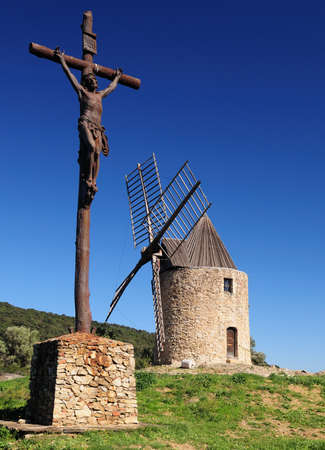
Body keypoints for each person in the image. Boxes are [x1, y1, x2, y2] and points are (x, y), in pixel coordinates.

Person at [55, 48, 122, 192]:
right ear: (87, 83)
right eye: (91, 80)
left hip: (97, 128)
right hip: (85, 123)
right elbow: (70, 75)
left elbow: (111, 87)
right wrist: (62, 60)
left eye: (95, 80)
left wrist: (117, 77)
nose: (95, 81)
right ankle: (89, 178)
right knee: (91, 147)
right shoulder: (83, 92)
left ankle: (93, 181)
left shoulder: (100, 95)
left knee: (97, 154)